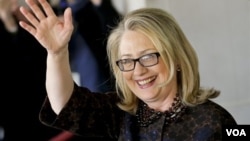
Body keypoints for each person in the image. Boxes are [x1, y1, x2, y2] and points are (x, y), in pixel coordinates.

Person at [18, 0, 237, 140]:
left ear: (177, 57)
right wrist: (57, 54)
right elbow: (65, 105)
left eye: (148, 56)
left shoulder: (216, 121)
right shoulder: (122, 115)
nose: (138, 71)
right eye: (126, 61)